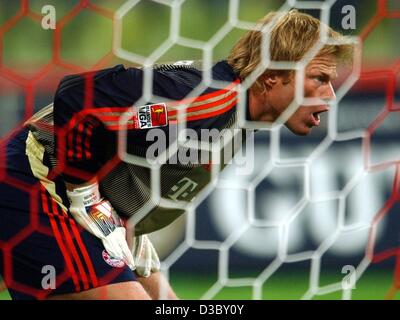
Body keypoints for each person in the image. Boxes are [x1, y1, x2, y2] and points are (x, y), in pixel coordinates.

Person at [0, 10, 352, 299]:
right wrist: (83, 192)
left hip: (95, 207)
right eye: (320, 78)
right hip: (38, 177)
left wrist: (125, 228)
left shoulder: (237, 114)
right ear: (273, 75)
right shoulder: (204, 100)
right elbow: (79, 99)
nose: (331, 95)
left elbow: (125, 159)